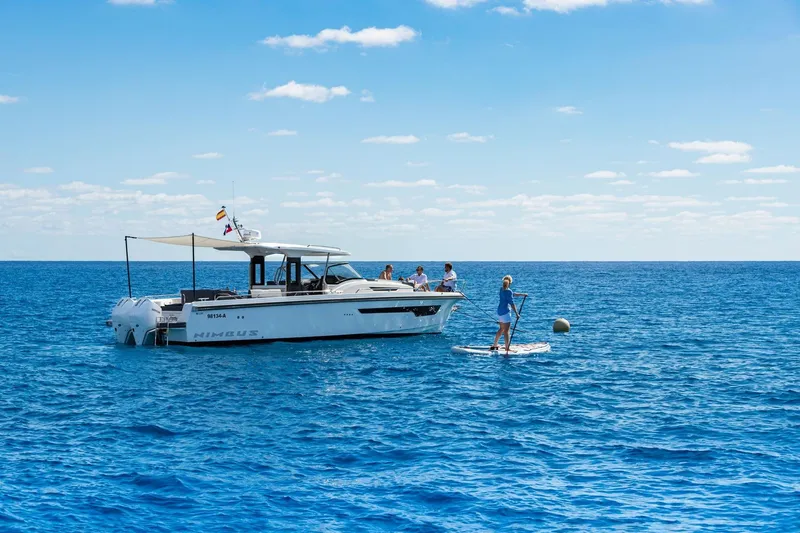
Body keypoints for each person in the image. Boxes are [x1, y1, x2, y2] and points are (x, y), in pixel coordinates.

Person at [491, 275, 524, 353]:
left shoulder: (501, 289)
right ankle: (507, 348)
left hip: (499, 312)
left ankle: (495, 345)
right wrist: (516, 314)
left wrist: (522, 294)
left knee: (501, 329)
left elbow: (511, 294)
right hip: (506, 313)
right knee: (506, 331)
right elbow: (512, 303)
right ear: (510, 283)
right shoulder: (509, 291)